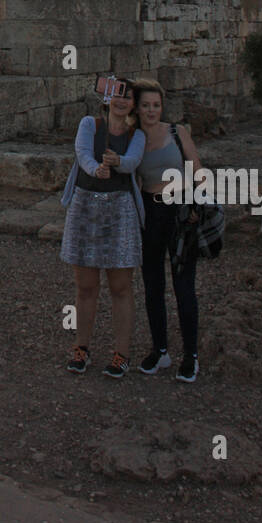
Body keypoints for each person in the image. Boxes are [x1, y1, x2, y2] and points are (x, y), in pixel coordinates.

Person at [59, 82, 146, 378]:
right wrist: (97, 168)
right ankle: (81, 347)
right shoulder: (90, 124)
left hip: (120, 209)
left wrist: (117, 162)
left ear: (133, 104)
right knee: (85, 286)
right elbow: (82, 153)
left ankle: (121, 353)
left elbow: (133, 161)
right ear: (107, 98)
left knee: (120, 286)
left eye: (127, 97)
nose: (121, 101)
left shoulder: (137, 135)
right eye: (116, 95)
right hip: (86, 204)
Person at [131, 78, 202, 383]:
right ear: (137, 107)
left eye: (156, 105)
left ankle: (191, 355)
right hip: (150, 211)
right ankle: (160, 349)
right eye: (146, 105)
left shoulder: (177, 131)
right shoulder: (132, 139)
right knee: (152, 284)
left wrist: (199, 202)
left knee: (183, 284)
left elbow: (196, 166)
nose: (151, 110)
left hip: (181, 208)